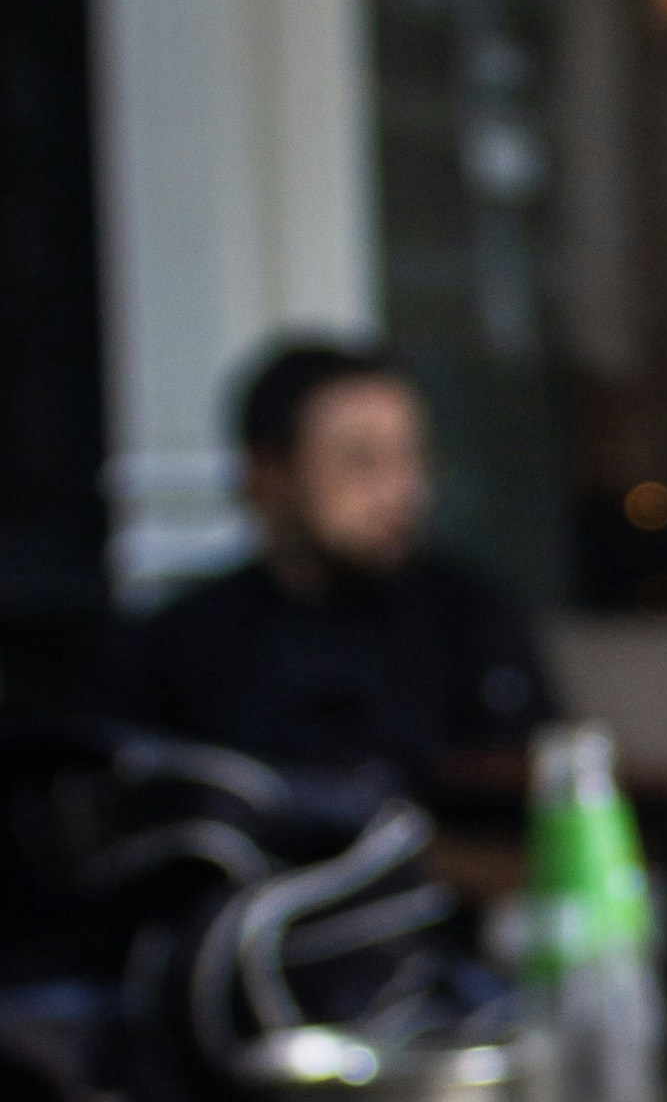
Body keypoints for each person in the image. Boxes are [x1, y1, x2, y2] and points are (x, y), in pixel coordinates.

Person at [120, 336, 552, 802]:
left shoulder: (472, 618)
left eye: (411, 457)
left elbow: (545, 797)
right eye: (362, 462)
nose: (402, 490)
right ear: (268, 473)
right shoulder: (184, 646)